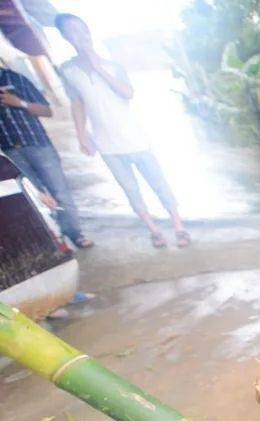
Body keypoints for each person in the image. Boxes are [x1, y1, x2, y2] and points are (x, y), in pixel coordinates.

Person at [54, 13, 191, 249]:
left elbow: (127, 93)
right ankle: (154, 230)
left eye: (81, 29)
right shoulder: (67, 71)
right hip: (107, 144)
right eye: (71, 31)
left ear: (88, 31)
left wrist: (99, 68)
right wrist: (81, 136)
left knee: (158, 182)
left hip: (136, 138)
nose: (79, 35)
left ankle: (178, 226)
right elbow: (77, 104)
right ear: (65, 37)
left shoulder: (113, 65)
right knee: (129, 188)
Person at [0, 62, 91, 248]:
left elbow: (47, 110)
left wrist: (19, 103)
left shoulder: (16, 79)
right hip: (10, 152)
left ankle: (75, 234)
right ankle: (54, 239)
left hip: (38, 145)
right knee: (33, 198)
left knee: (60, 192)